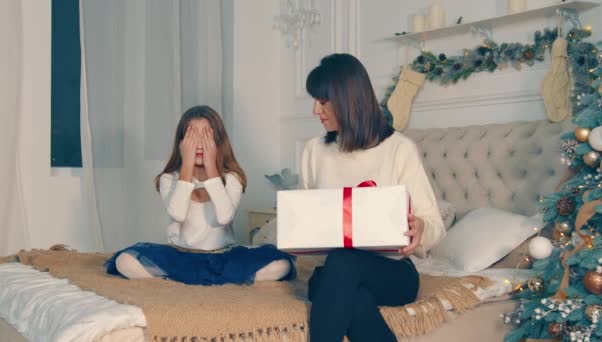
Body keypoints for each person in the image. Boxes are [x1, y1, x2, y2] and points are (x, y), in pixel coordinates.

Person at [301, 54, 446, 341]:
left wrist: (420, 229)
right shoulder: (314, 151)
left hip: (393, 274)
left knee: (338, 269)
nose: (315, 110)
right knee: (348, 290)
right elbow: (307, 224)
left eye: (322, 100)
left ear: (347, 98)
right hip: (338, 271)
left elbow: (434, 225)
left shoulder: (399, 149)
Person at [106, 105, 294, 285]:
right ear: (182, 142)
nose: (198, 144)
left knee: (282, 266)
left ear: (218, 140)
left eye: (206, 135)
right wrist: (187, 165)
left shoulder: (231, 178)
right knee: (124, 262)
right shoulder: (169, 179)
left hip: (222, 256)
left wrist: (211, 165)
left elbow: (224, 217)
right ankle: (185, 277)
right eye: (191, 135)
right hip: (180, 255)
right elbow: (178, 214)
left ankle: (204, 277)